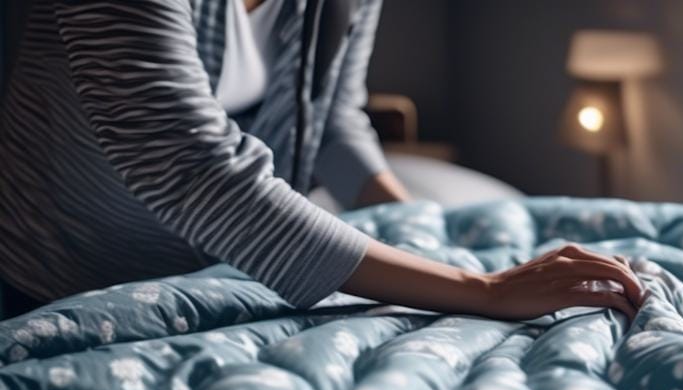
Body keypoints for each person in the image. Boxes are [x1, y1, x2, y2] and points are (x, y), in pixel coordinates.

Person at [0, 0, 644, 322]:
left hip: (220, 282)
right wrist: (481, 291)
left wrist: (430, 237)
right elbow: (182, 160)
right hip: (64, 281)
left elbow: (335, 122)